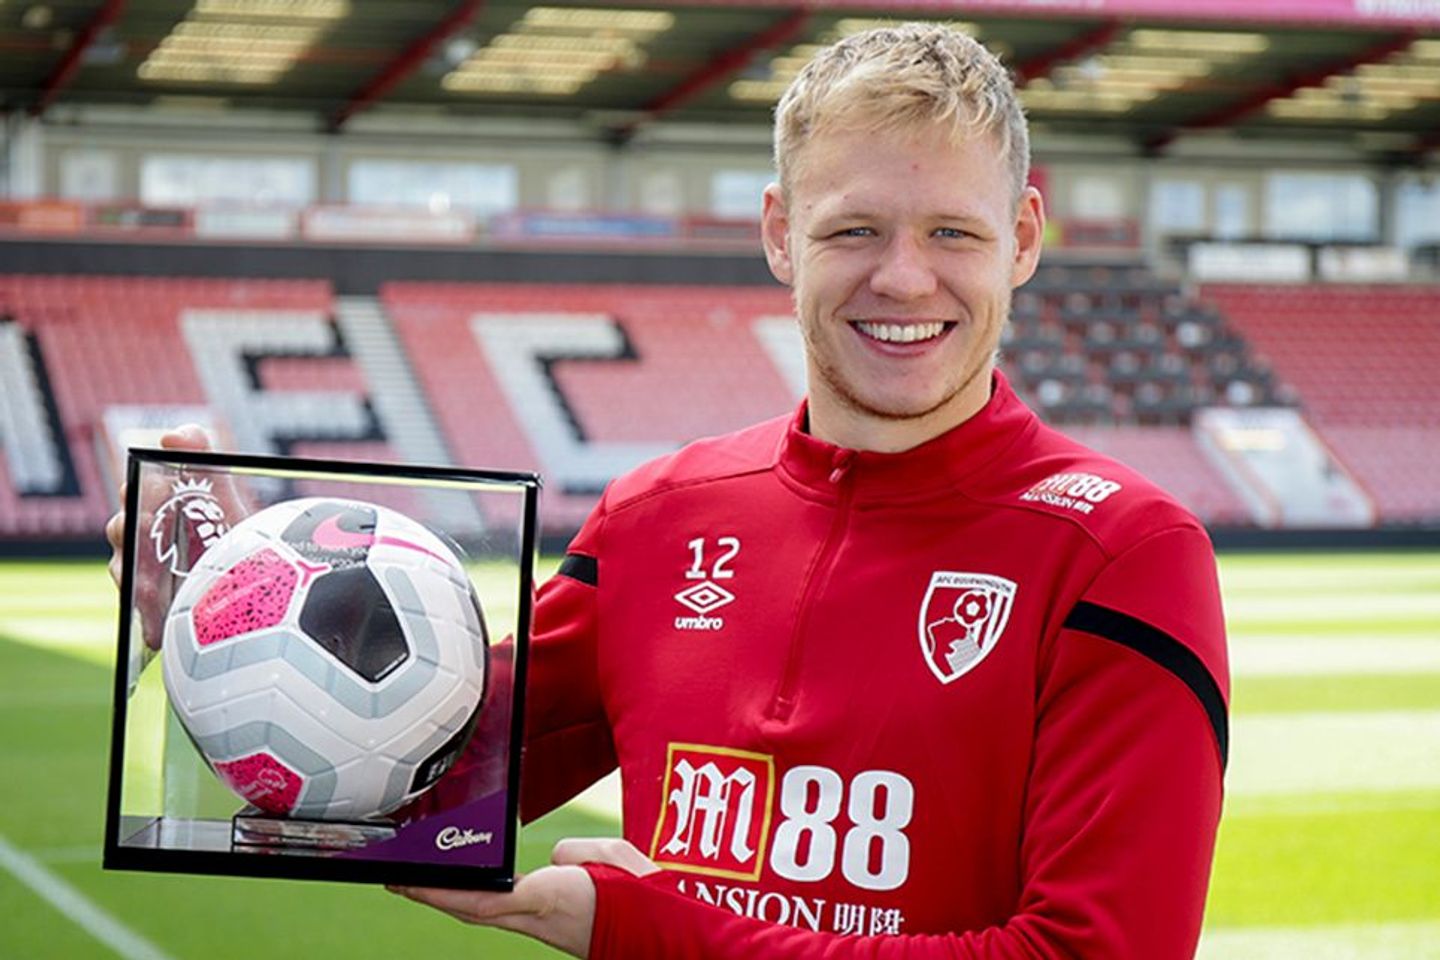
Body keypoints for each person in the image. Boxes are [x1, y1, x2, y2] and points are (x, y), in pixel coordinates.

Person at [109, 24, 1228, 959]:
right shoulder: (657, 520)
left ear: (1023, 240)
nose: (903, 276)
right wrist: (230, 620)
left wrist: (654, 932)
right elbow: (406, 788)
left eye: (953, 233)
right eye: (854, 228)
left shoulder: (1125, 554)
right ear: (781, 234)